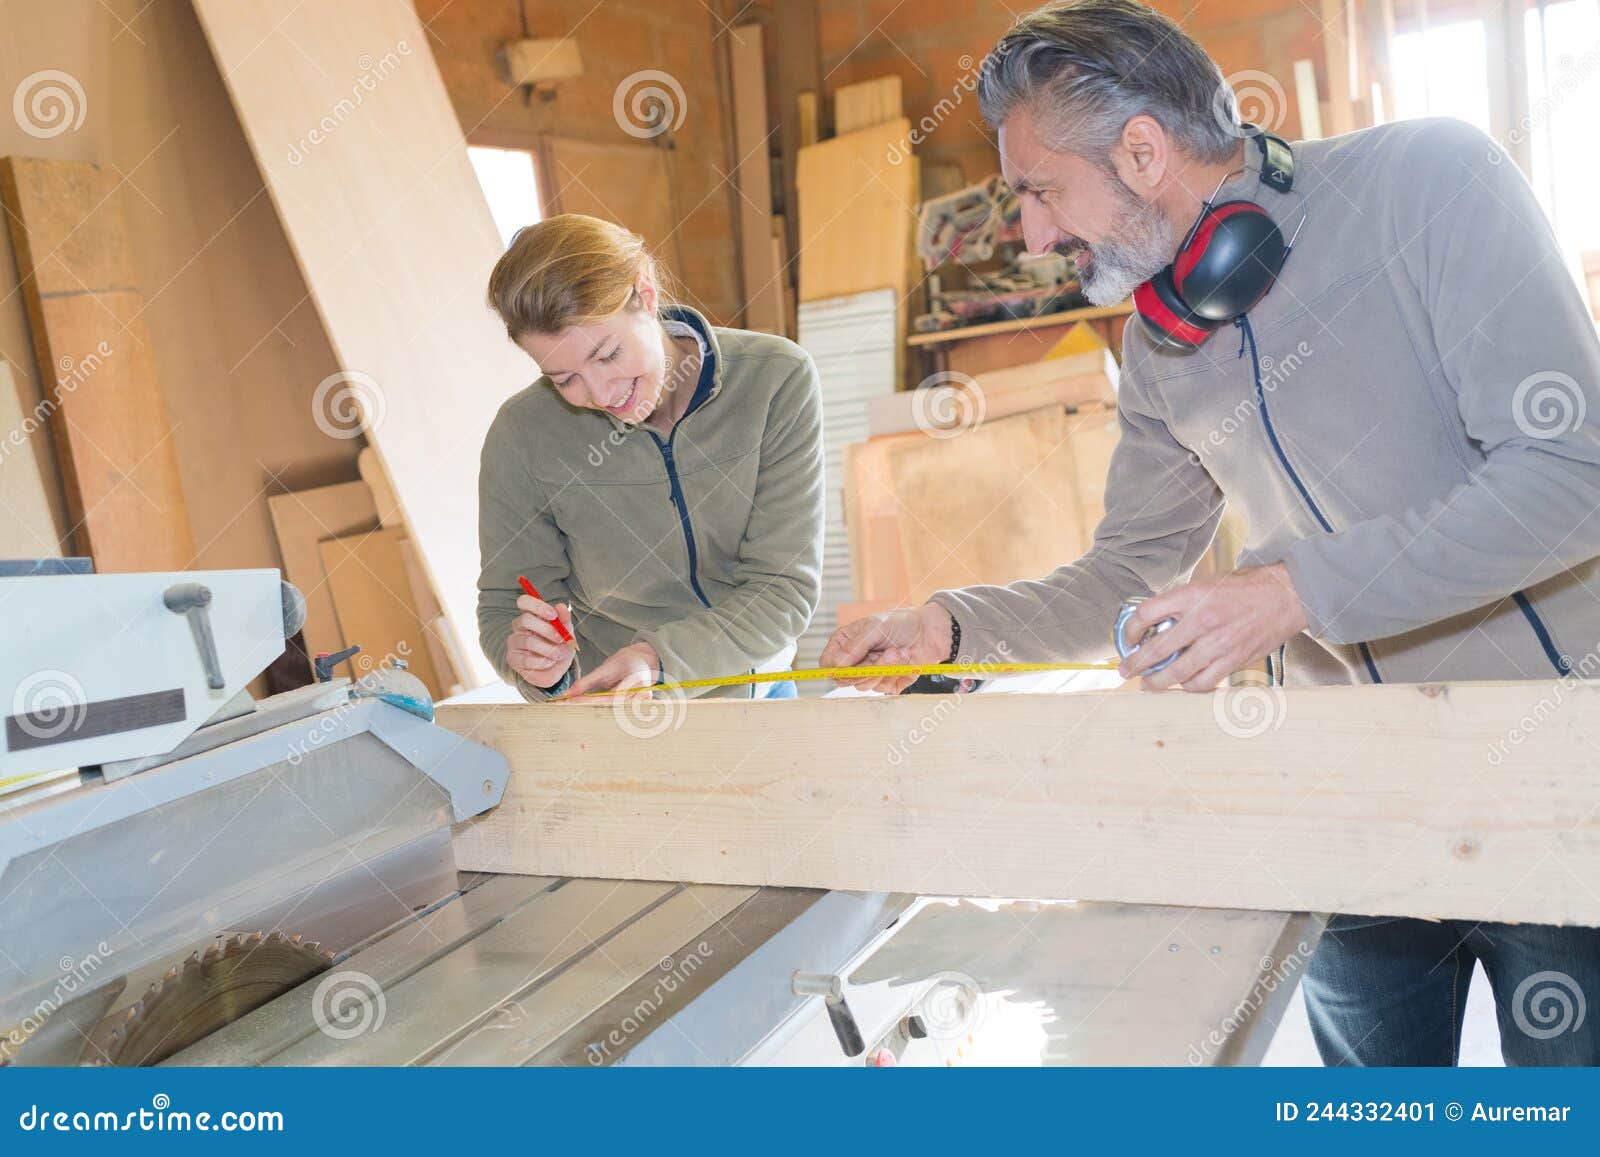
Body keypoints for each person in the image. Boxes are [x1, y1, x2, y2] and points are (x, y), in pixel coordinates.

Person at [821, 0, 1600, 1065]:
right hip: (1343, 787)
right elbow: (1127, 572)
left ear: (1142, 150)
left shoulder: (1430, 184)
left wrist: (1291, 592)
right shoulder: (1162, 341)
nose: (1033, 235)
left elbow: (1571, 472)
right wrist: (953, 627)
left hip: (1549, 761)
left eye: (1040, 192)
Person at [478, 213, 823, 700]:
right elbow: (502, 606)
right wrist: (538, 667)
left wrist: (658, 659)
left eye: (607, 355)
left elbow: (782, 588)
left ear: (647, 294)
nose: (599, 392)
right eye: (564, 379)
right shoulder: (522, 434)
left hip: (757, 686)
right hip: (618, 707)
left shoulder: (775, 381)